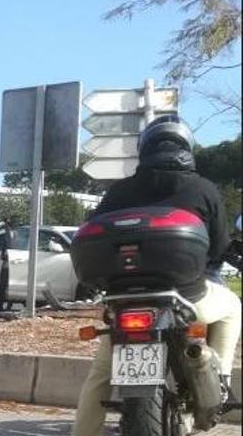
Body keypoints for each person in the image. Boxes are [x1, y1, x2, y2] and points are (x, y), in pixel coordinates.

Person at [73, 115, 241, 435]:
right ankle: (217, 382)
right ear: (186, 148)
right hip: (188, 297)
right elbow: (219, 246)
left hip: (125, 301)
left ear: (144, 149)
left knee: (100, 375)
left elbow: (91, 237)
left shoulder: (119, 192)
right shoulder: (203, 188)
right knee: (233, 307)